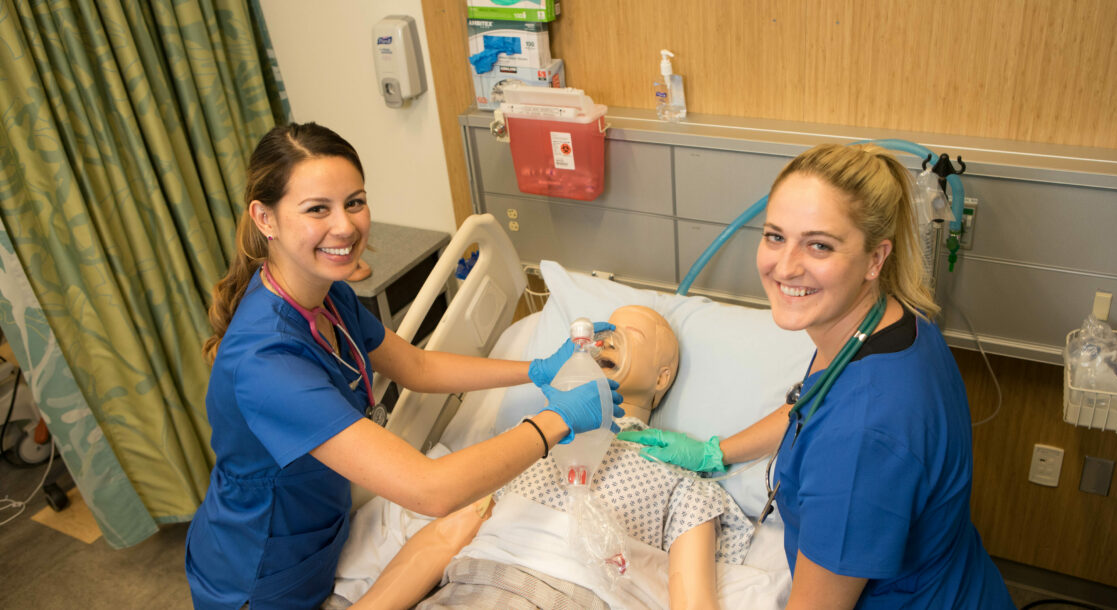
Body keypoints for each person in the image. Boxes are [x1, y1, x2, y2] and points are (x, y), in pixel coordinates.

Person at [185, 122, 622, 610]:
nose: (346, 227)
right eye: (317, 209)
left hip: (319, 536)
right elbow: (431, 491)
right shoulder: (263, 362)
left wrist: (538, 369)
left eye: (354, 201)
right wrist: (557, 419)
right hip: (258, 575)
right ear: (265, 218)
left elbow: (416, 366)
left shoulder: (330, 297)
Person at [619, 144, 1014, 608]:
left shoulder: (861, 438)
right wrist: (714, 452)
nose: (785, 266)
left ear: (875, 259)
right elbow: (813, 401)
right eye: (774, 236)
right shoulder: (887, 326)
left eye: (819, 245)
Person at [333, 305, 753, 610]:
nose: (607, 339)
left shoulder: (680, 479)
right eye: (605, 330)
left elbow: (692, 597)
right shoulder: (529, 443)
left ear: (662, 378)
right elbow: (444, 537)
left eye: (631, 336)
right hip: (473, 589)